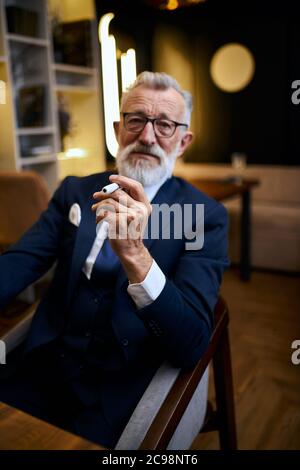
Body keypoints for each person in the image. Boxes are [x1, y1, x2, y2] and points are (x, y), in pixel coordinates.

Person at [0, 72, 229, 448]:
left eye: (165, 125)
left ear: (183, 141)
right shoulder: (75, 189)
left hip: (122, 389)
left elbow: (190, 343)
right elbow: (19, 262)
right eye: (136, 120)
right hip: (43, 369)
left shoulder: (202, 217)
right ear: (118, 128)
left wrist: (136, 254)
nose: (147, 136)